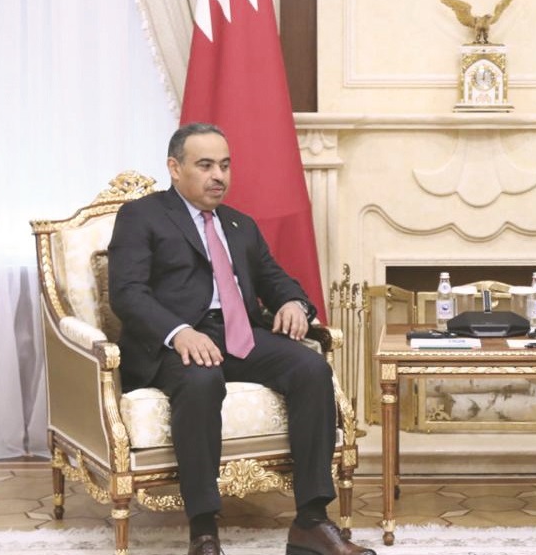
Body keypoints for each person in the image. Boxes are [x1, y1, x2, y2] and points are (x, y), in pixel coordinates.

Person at [109, 123, 375, 555]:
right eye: (206, 165)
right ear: (175, 168)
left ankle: (310, 521)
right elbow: (127, 293)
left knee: (311, 368)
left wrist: (293, 304)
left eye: (225, 165)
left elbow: (276, 279)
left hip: (239, 335)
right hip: (178, 340)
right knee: (201, 381)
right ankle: (204, 531)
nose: (219, 176)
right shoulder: (143, 216)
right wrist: (179, 333)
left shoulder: (239, 224)